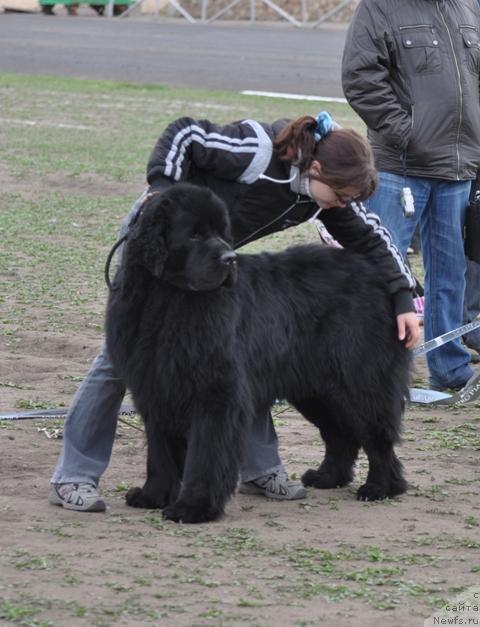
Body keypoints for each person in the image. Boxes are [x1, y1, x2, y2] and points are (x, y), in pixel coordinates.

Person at [49, 112, 420, 512]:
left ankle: (254, 470)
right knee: (122, 359)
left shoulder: (323, 193)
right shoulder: (256, 151)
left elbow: (372, 239)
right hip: (162, 240)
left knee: (235, 358)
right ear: (315, 169)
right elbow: (185, 133)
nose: (344, 206)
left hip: (213, 260)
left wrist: (403, 299)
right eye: (343, 196)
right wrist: (162, 190)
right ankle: (75, 475)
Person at [342, 0, 480, 391]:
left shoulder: (468, 8)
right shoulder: (380, 7)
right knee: (379, 269)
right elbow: (360, 77)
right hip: (398, 169)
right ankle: (368, 371)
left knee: (451, 272)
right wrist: (405, 133)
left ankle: (450, 367)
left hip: (457, 169)